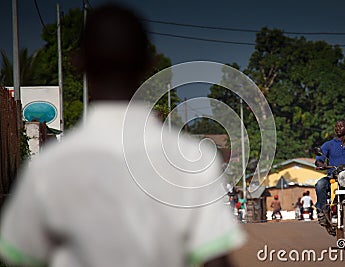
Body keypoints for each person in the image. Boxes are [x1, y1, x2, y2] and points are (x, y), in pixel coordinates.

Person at [0, 4, 245, 267]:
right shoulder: (191, 159)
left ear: (79, 63)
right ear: (149, 64)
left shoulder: (48, 167)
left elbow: (19, 255)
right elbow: (216, 261)